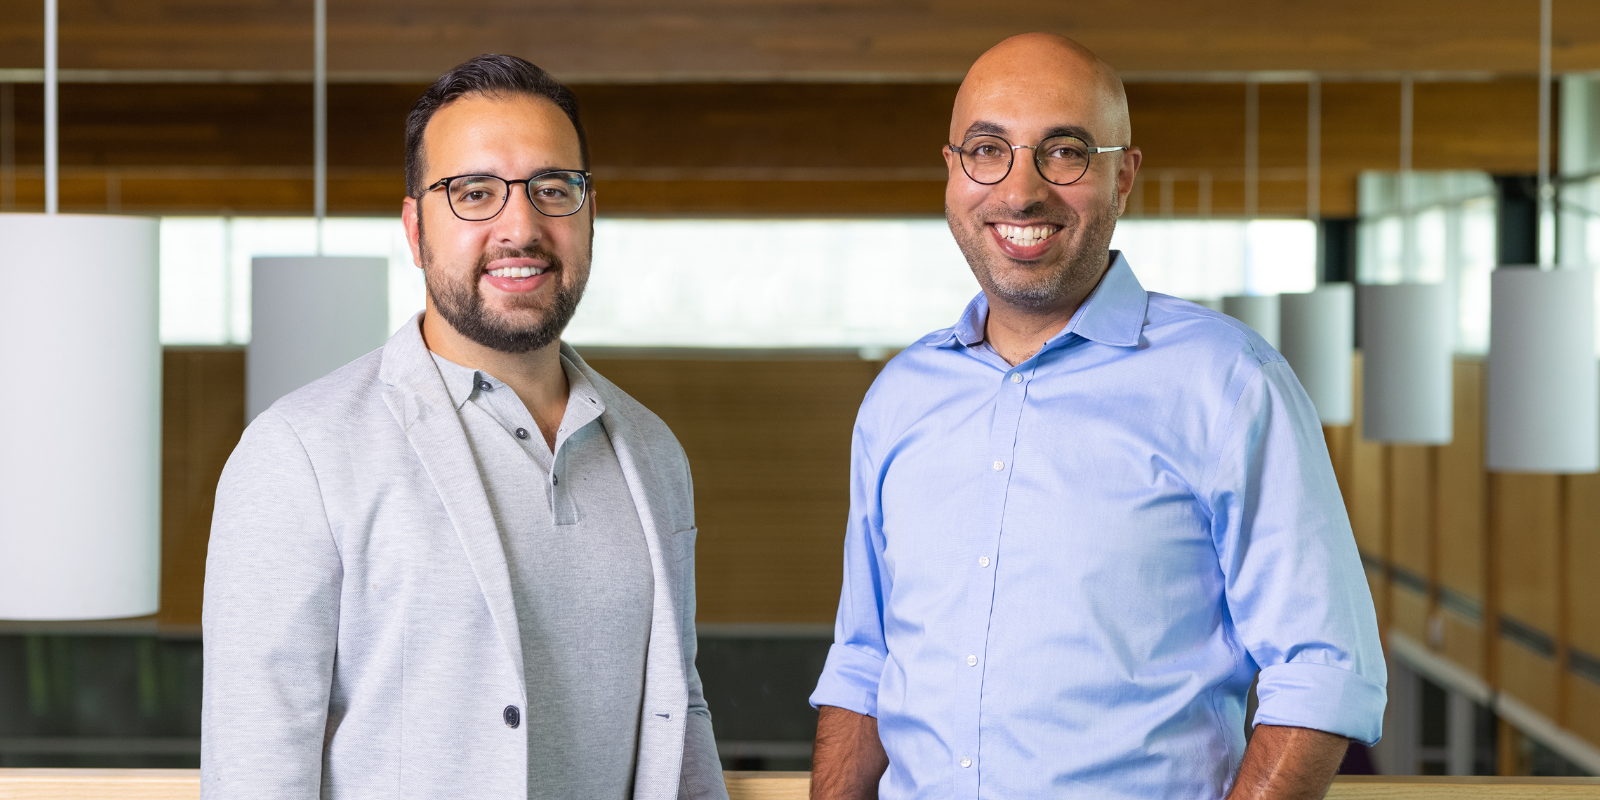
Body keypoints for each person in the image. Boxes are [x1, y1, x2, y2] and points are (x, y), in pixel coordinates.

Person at [808, 33, 1385, 800]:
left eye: (1066, 151)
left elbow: (1324, 670)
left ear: (1124, 176)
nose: (1020, 191)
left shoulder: (1230, 384)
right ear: (953, 171)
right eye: (988, 149)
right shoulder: (899, 397)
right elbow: (864, 660)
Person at [202, 55, 726, 800]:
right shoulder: (300, 454)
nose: (521, 225)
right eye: (474, 192)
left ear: (588, 213)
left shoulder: (652, 452)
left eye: (553, 188)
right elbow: (256, 766)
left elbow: (681, 713)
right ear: (416, 230)